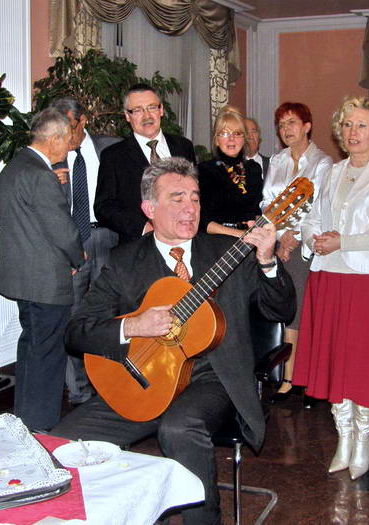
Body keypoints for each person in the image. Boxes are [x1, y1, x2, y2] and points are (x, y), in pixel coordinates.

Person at [53, 157, 295, 525]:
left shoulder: (229, 253)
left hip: (213, 378)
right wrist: (133, 326)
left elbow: (281, 309)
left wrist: (267, 261)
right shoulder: (124, 261)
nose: (190, 208)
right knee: (64, 441)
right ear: (149, 209)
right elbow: (76, 331)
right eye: (177, 198)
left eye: (195, 198)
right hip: (143, 380)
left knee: (179, 429)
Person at [293, 96, 369, 480]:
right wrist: (315, 238)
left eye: (361, 125)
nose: (352, 132)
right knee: (335, 361)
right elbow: (312, 216)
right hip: (329, 276)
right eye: (347, 125)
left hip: (368, 280)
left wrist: (343, 241)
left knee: (361, 363)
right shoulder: (332, 171)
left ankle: (363, 441)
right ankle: (343, 438)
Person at [0, 108, 85, 430]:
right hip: (45, 281)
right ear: (54, 139)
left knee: (33, 350)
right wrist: (77, 258)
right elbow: (62, 230)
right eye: (68, 139)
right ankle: (41, 426)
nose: (71, 146)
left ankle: (25, 421)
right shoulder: (41, 175)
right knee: (47, 354)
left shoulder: (14, 167)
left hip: (24, 278)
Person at [50, 97, 121, 405]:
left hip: (108, 237)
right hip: (72, 242)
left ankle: (112, 386)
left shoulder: (112, 148)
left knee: (111, 313)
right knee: (75, 315)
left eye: (69, 126)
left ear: (84, 120)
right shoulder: (51, 155)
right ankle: (79, 392)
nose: (65, 133)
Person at [261, 102, 333, 405]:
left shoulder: (323, 162)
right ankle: (289, 377)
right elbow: (267, 203)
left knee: (303, 311)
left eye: (291, 122)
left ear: (307, 126)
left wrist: (295, 237)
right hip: (277, 244)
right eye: (281, 124)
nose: (285, 129)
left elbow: (320, 205)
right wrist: (280, 236)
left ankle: (300, 379)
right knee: (285, 310)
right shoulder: (276, 160)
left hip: (307, 247)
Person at [94, 84, 196, 244]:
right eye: (138, 110)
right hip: (138, 246)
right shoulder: (113, 156)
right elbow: (104, 207)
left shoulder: (183, 146)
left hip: (186, 239)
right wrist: (144, 228)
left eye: (152, 107)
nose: (147, 116)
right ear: (127, 116)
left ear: (161, 110)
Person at [198, 106, 264, 237]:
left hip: (250, 240)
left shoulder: (254, 169)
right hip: (217, 241)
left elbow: (257, 212)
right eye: (224, 133)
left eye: (237, 133)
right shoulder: (205, 170)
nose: (231, 139)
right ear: (216, 140)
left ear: (244, 138)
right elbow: (202, 220)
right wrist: (240, 234)